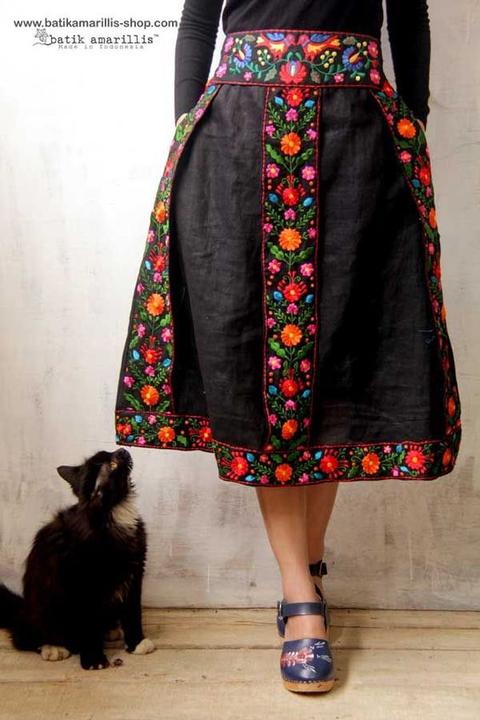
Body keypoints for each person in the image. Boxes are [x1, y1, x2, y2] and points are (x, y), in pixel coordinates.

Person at [114, 0, 462, 692]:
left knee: (333, 362)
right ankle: (299, 593)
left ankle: (309, 566)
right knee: (256, 373)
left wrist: (411, 125)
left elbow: (408, 13)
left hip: (358, 139)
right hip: (237, 136)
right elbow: (198, 19)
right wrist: (187, 127)